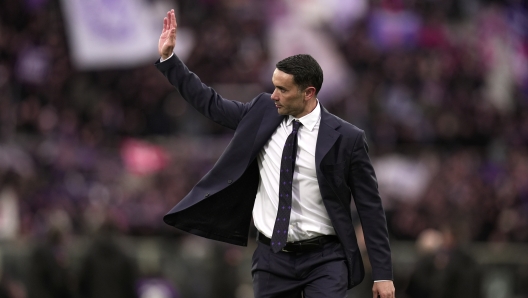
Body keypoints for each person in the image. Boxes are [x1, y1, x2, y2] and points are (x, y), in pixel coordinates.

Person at [156, 9, 395, 298]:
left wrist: (382, 274)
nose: (274, 95)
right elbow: (210, 103)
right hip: (272, 259)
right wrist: (170, 61)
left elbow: (370, 208)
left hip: (326, 259)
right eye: (274, 86)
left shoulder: (347, 138)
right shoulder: (261, 114)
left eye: (283, 89)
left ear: (308, 93)